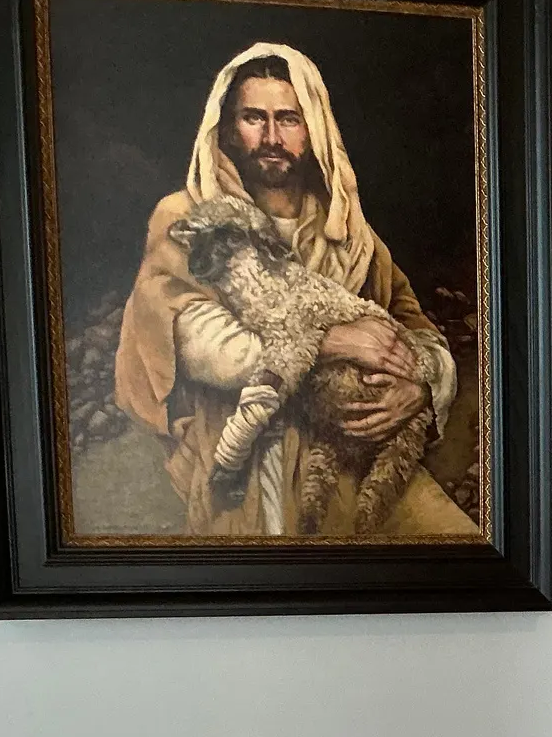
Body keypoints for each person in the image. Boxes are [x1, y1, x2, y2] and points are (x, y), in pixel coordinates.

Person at [114, 42, 476, 535]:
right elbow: (205, 345)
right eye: (252, 118)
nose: (270, 137)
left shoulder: (347, 231)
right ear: (228, 129)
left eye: (287, 118)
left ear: (313, 128)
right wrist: (332, 341)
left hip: (358, 455)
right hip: (249, 458)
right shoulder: (188, 217)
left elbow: (418, 331)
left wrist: (418, 388)